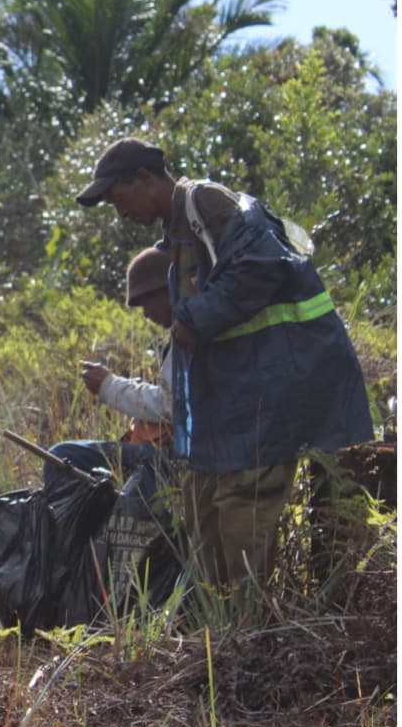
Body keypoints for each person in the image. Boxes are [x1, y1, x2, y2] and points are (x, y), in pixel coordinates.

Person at [75, 137, 373, 585]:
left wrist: (191, 321)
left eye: (119, 198)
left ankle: (256, 634)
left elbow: (262, 267)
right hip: (241, 400)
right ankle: (229, 630)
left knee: (244, 517)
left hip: (284, 382)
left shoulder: (207, 201)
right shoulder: (180, 241)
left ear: (144, 179)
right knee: (204, 514)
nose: (120, 212)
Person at [44, 246, 175, 491]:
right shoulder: (182, 335)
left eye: (147, 301)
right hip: (169, 454)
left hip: (177, 458)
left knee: (64, 457)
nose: (146, 313)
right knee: (64, 455)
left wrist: (109, 386)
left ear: (168, 290)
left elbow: (170, 406)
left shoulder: (192, 336)